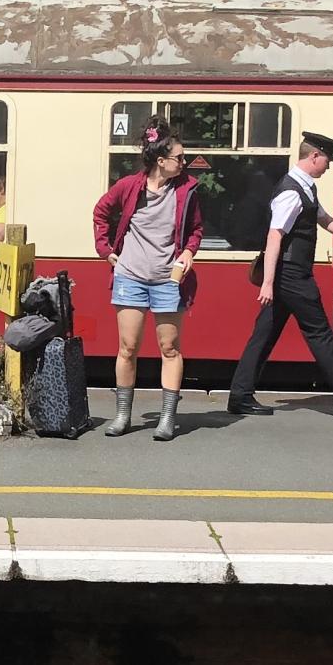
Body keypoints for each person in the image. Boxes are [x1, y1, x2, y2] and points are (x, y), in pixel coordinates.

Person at [226, 131, 333, 420]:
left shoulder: (304, 188)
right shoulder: (291, 192)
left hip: (289, 275)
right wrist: (269, 282)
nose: (328, 165)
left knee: (264, 335)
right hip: (292, 276)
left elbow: (322, 218)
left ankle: (240, 396)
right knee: (320, 333)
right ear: (313, 156)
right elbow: (275, 236)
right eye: (327, 160)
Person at [91, 121, 203, 441]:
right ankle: (123, 415)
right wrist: (105, 250)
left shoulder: (186, 190)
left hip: (169, 278)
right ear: (161, 161)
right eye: (179, 157)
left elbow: (195, 229)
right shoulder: (129, 187)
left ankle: (167, 419)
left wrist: (189, 252)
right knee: (127, 348)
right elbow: (101, 212)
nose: (184, 163)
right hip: (131, 275)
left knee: (169, 347)